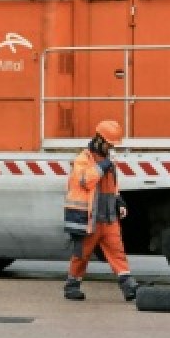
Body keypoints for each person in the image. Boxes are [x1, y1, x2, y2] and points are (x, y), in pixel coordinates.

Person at [62, 119, 140, 302]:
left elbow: (112, 186)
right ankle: (72, 285)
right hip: (90, 218)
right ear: (99, 140)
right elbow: (84, 181)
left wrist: (119, 201)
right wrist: (103, 166)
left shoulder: (108, 161)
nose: (111, 148)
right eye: (109, 144)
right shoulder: (83, 159)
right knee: (82, 254)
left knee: (118, 253)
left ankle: (129, 286)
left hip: (108, 218)